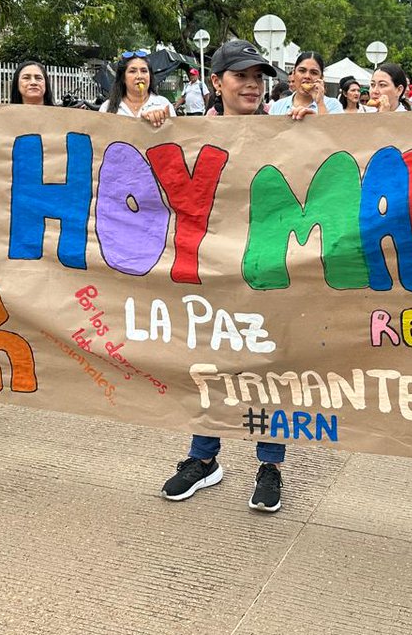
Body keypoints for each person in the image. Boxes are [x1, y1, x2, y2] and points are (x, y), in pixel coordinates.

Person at [162, 39, 317, 511]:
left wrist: (314, 128)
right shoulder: (191, 131)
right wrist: (155, 126)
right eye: (241, 76)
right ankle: (202, 458)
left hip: (266, 270)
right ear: (216, 82)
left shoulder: (285, 130)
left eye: (258, 78)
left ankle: (270, 467)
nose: (251, 85)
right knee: (208, 363)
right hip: (211, 270)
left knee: (267, 365)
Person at [99, 50, 174, 128]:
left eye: (144, 71)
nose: (139, 76)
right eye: (132, 71)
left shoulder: (163, 104)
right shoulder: (107, 108)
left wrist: (165, 120)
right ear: (123, 78)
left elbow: (175, 136)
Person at [269, 51, 342, 118]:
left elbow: (333, 131)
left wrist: (320, 103)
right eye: (302, 71)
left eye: (314, 73)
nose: (307, 76)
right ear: (294, 73)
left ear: (321, 77)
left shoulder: (333, 105)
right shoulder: (277, 107)